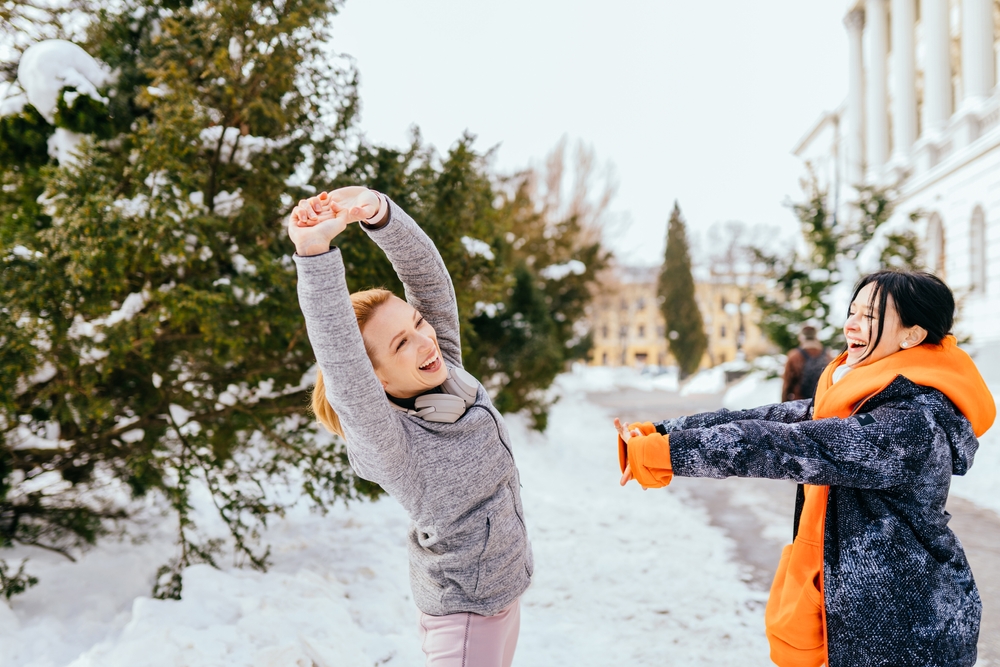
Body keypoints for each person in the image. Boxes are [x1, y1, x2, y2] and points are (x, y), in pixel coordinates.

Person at [614, 270, 995, 667]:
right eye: (853, 311)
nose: (851, 324)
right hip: (866, 620)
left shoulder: (912, 422)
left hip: (907, 629)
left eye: (869, 316)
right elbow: (774, 419)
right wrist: (658, 434)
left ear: (912, 335)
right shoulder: (858, 396)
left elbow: (782, 446)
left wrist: (666, 453)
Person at [287, 186, 532, 667]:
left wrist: (378, 212)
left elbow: (428, 279)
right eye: (401, 343)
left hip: (500, 598)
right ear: (372, 376)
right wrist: (313, 251)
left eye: (419, 323)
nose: (426, 340)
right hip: (465, 619)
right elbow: (339, 352)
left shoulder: (447, 374)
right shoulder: (391, 444)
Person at [781, 325, 831, 402]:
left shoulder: (794, 356)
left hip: (800, 404)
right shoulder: (827, 355)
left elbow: (787, 385)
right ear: (816, 336)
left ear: (801, 337)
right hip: (822, 402)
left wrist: (784, 405)